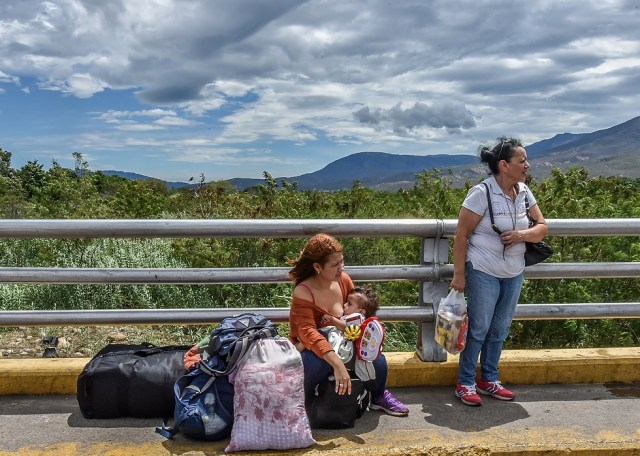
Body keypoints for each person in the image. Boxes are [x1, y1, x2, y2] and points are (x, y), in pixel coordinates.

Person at [451, 137, 548, 407]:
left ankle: (489, 379)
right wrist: (459, 275)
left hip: (514, 270)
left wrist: (521, 235)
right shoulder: (481, 193)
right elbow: (461, 235)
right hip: (482, 269)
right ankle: (466, 382)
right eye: (522, 161)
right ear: (504, 165)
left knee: (500, 328)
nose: (527, 165)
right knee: (479, 328)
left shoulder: (524, 192)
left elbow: (542, 226)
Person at [287, 233, 409, 416]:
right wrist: (337, 364)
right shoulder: (304, 291)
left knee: (376, 359)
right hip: (315, 347)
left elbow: (357, 313)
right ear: (317, 267)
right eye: (335, 265)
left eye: (342, 262)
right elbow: (308, 333)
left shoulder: (343, 280)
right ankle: (303, 403)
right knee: (315, 364)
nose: (341, 268)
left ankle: (378, 395)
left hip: (344, 341)